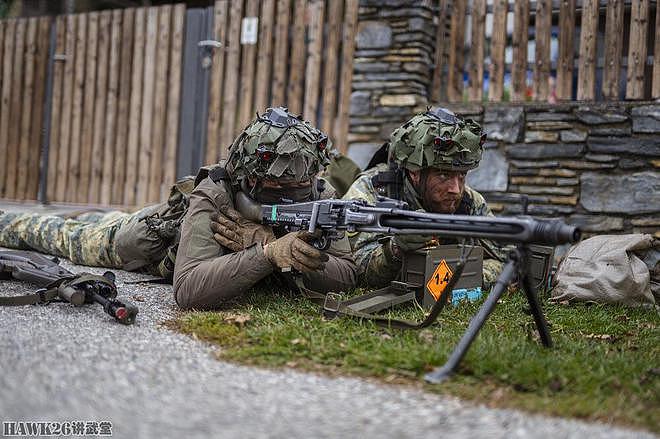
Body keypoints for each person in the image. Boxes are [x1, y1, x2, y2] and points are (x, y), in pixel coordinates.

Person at [0, 107, 357, 309]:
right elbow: (188, 290)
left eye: (300, 187)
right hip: (143, 242)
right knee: (60, 233)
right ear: (249, 181)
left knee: (99, 216)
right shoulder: (215, 191)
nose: (292, 197)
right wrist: (267, 253)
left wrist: (290, 254)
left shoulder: (321, 196)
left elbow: (347, 274)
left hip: (179, 232)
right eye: (278, 187)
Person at [342, 107, 506, 288]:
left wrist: (470, 276)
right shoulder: (371, 191)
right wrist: (395, 249)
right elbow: (354, 270)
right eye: (443, 175)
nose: (456, 189)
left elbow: (508, 259)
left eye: (461, 175)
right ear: (414, 172)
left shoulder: (468, 201)